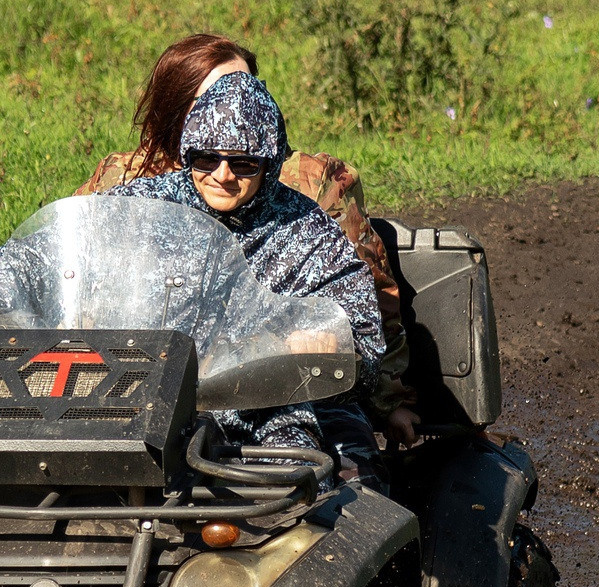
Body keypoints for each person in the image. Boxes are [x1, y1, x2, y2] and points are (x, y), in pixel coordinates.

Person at [81, 35, 415, 448]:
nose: (232, 107)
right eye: (214, 97)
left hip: (282, 390)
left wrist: (385, 397)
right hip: (138, 383)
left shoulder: (305, 192)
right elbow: (67, 263)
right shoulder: (125, 183)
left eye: (245, 92)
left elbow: (364, 299)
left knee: (325, 476)